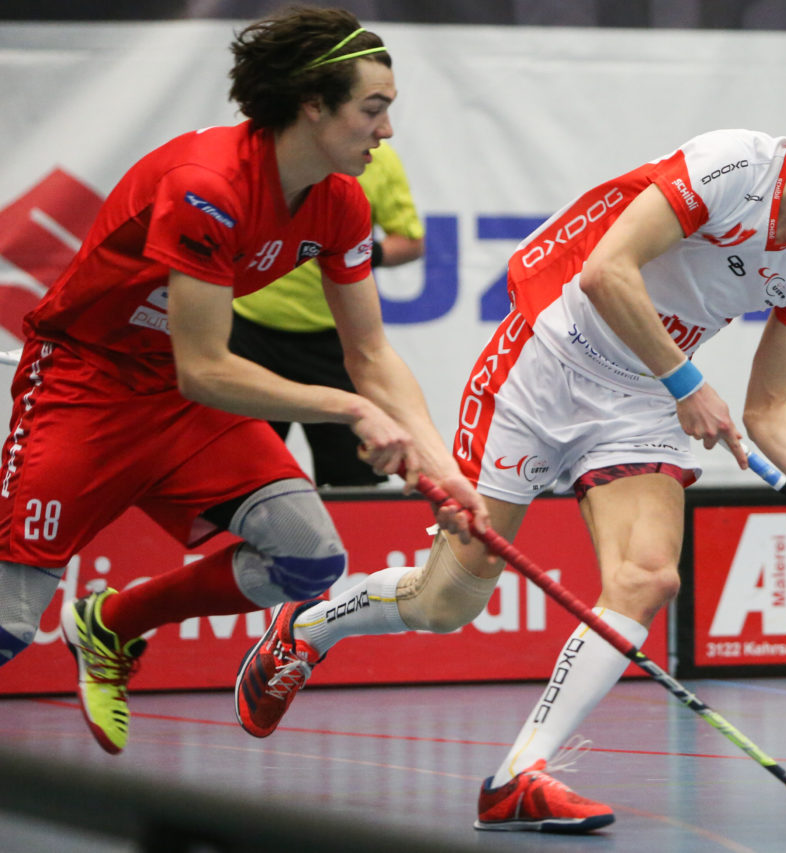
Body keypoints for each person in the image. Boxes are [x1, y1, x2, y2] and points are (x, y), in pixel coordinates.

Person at [235, 66, 786, 833]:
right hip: (545, 364)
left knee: (647, 575)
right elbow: (606, 271)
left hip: (641, 404)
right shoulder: (732, 167)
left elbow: (769, 407)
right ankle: (308, 627)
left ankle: (517, 774)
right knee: (448, 601)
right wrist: (688, 380)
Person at [0, 6, 488, 755]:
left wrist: (447, 473)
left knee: (307, 558)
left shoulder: (341, 200)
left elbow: (372, 355)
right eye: (374, 108)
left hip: (178, 402)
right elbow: (207, 368)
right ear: (312, 105)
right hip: (86, 385)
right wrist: (348, 408)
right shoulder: (208, 185)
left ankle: (110, 625)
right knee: (7, 626)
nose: (386, 131)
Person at [229, 142, 424, 486]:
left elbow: (410, 242)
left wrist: (354, 249)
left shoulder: (376, 161)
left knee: (354, 483)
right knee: (240, 478)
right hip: (251, 335)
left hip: (335, 346)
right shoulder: (267, 156)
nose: (383, 130)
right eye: (371, 110)